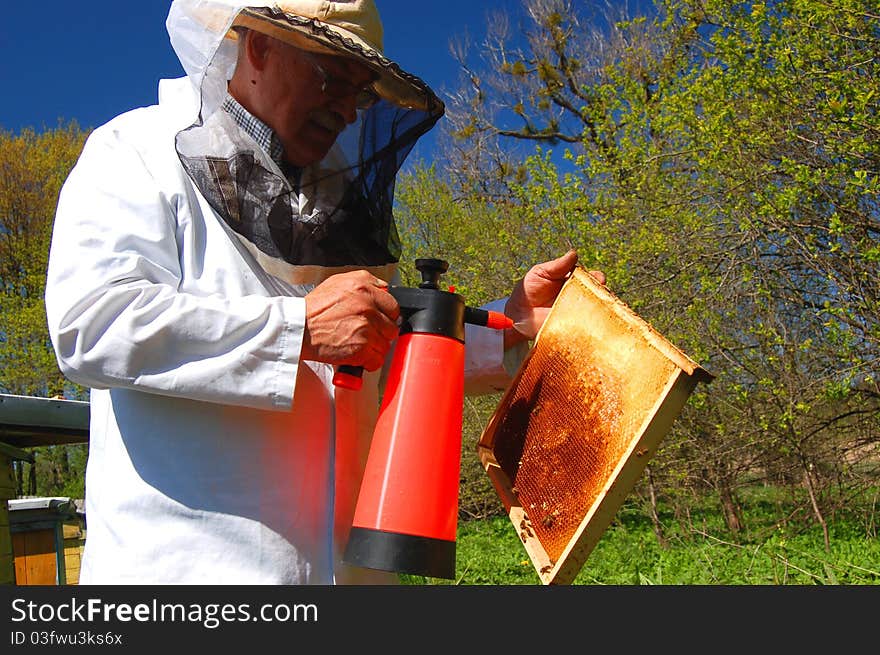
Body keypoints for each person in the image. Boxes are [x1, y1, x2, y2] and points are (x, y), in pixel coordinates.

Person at [45, 0, 602, 584]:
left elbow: (379, 357)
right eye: (331, 76)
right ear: (258, 45)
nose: (344, 110)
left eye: (359, 92)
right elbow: (93, 323)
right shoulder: (136, 151)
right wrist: (298, 329)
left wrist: (513, 325)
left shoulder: (335, 203)